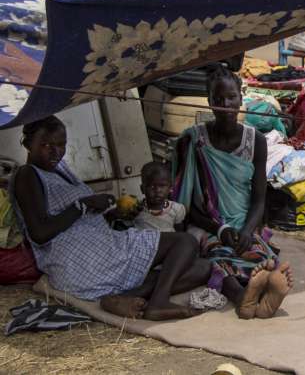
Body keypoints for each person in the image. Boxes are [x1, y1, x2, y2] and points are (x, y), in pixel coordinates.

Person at [12, 116, 210, 321]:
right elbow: (40, 233)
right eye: (46, 145)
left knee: (202, 268)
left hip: (102, 249)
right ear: (28, 144)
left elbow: (74, 214)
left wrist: (109, 211)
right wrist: (84, 204)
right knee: (185, 242)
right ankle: (158, 302)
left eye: (61, 145)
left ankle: (121, 298)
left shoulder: (58, 169)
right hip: (80, 262)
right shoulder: (28, 174)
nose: (56, 152)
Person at [173, 65, 294, 320]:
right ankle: (243, 298)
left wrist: (248, 231)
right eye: (218, 99)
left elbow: (260, 198)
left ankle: (261, 288)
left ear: (241, 98)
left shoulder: (256, 141)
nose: (225, 104)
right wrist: (220, 229)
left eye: (231, 97)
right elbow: (185, 205)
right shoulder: (195, 141)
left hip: (243, 223)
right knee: (216, 257)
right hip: (207, 224)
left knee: (258, 254)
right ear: (209, 102)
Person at [134, 162, 186, 233]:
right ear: (143, 189)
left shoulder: (176, 209)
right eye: (151, 186)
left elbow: (179, 232)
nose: (157, 190)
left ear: (170, 188)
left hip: (169, 242)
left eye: (162, 186)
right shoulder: (137, 209)